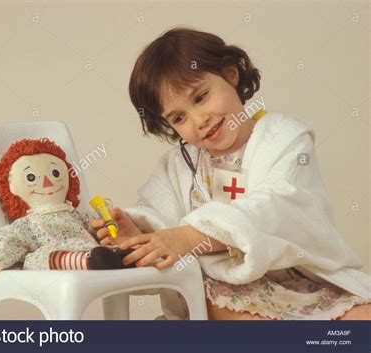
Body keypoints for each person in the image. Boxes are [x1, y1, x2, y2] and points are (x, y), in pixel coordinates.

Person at [92, 27, 370, 320]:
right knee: (214, 301)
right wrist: (141, 236)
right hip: (224, 292)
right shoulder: (176, 166)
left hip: (299, 285)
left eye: (200, 97)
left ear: (230, 75)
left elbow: (280, 204)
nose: (199, 120)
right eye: (179, 117)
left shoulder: (282, 138)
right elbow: (162, 227)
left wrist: (190, 235)